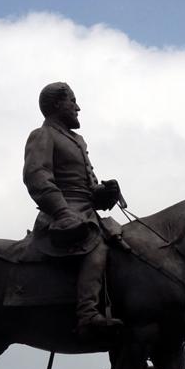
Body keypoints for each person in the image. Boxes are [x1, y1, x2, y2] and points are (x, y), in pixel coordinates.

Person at [23, 81, 124, 335]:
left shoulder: (76, 140)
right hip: (61, 215)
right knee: (97, 247)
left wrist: (104, 193)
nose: (77, 107)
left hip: (86, 212)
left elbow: (88, 192)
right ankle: (87, 314)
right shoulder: (43, 135)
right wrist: (62, 211)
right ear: (57, 104)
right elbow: (37, 176)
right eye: (72, 101)